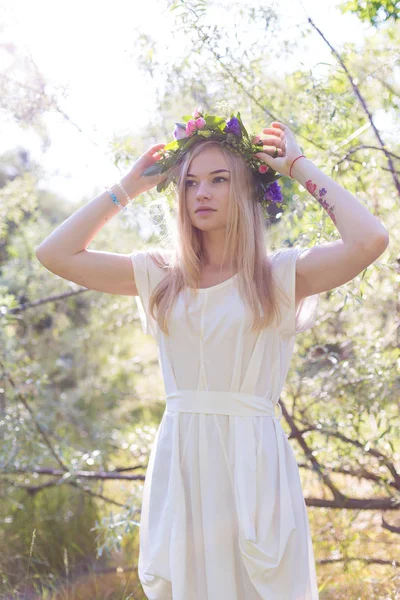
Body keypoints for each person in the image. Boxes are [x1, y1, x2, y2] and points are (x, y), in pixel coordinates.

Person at [35, 106, 389, 600]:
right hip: (182, 463)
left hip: (255, 463)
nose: (201, 192)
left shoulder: (279, 274)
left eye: (219, 180)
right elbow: (54, 254)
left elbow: (370, 239)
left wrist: (299, 167)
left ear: (245, 190)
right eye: (189, 182)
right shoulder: (161, 275)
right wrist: (128, 187)